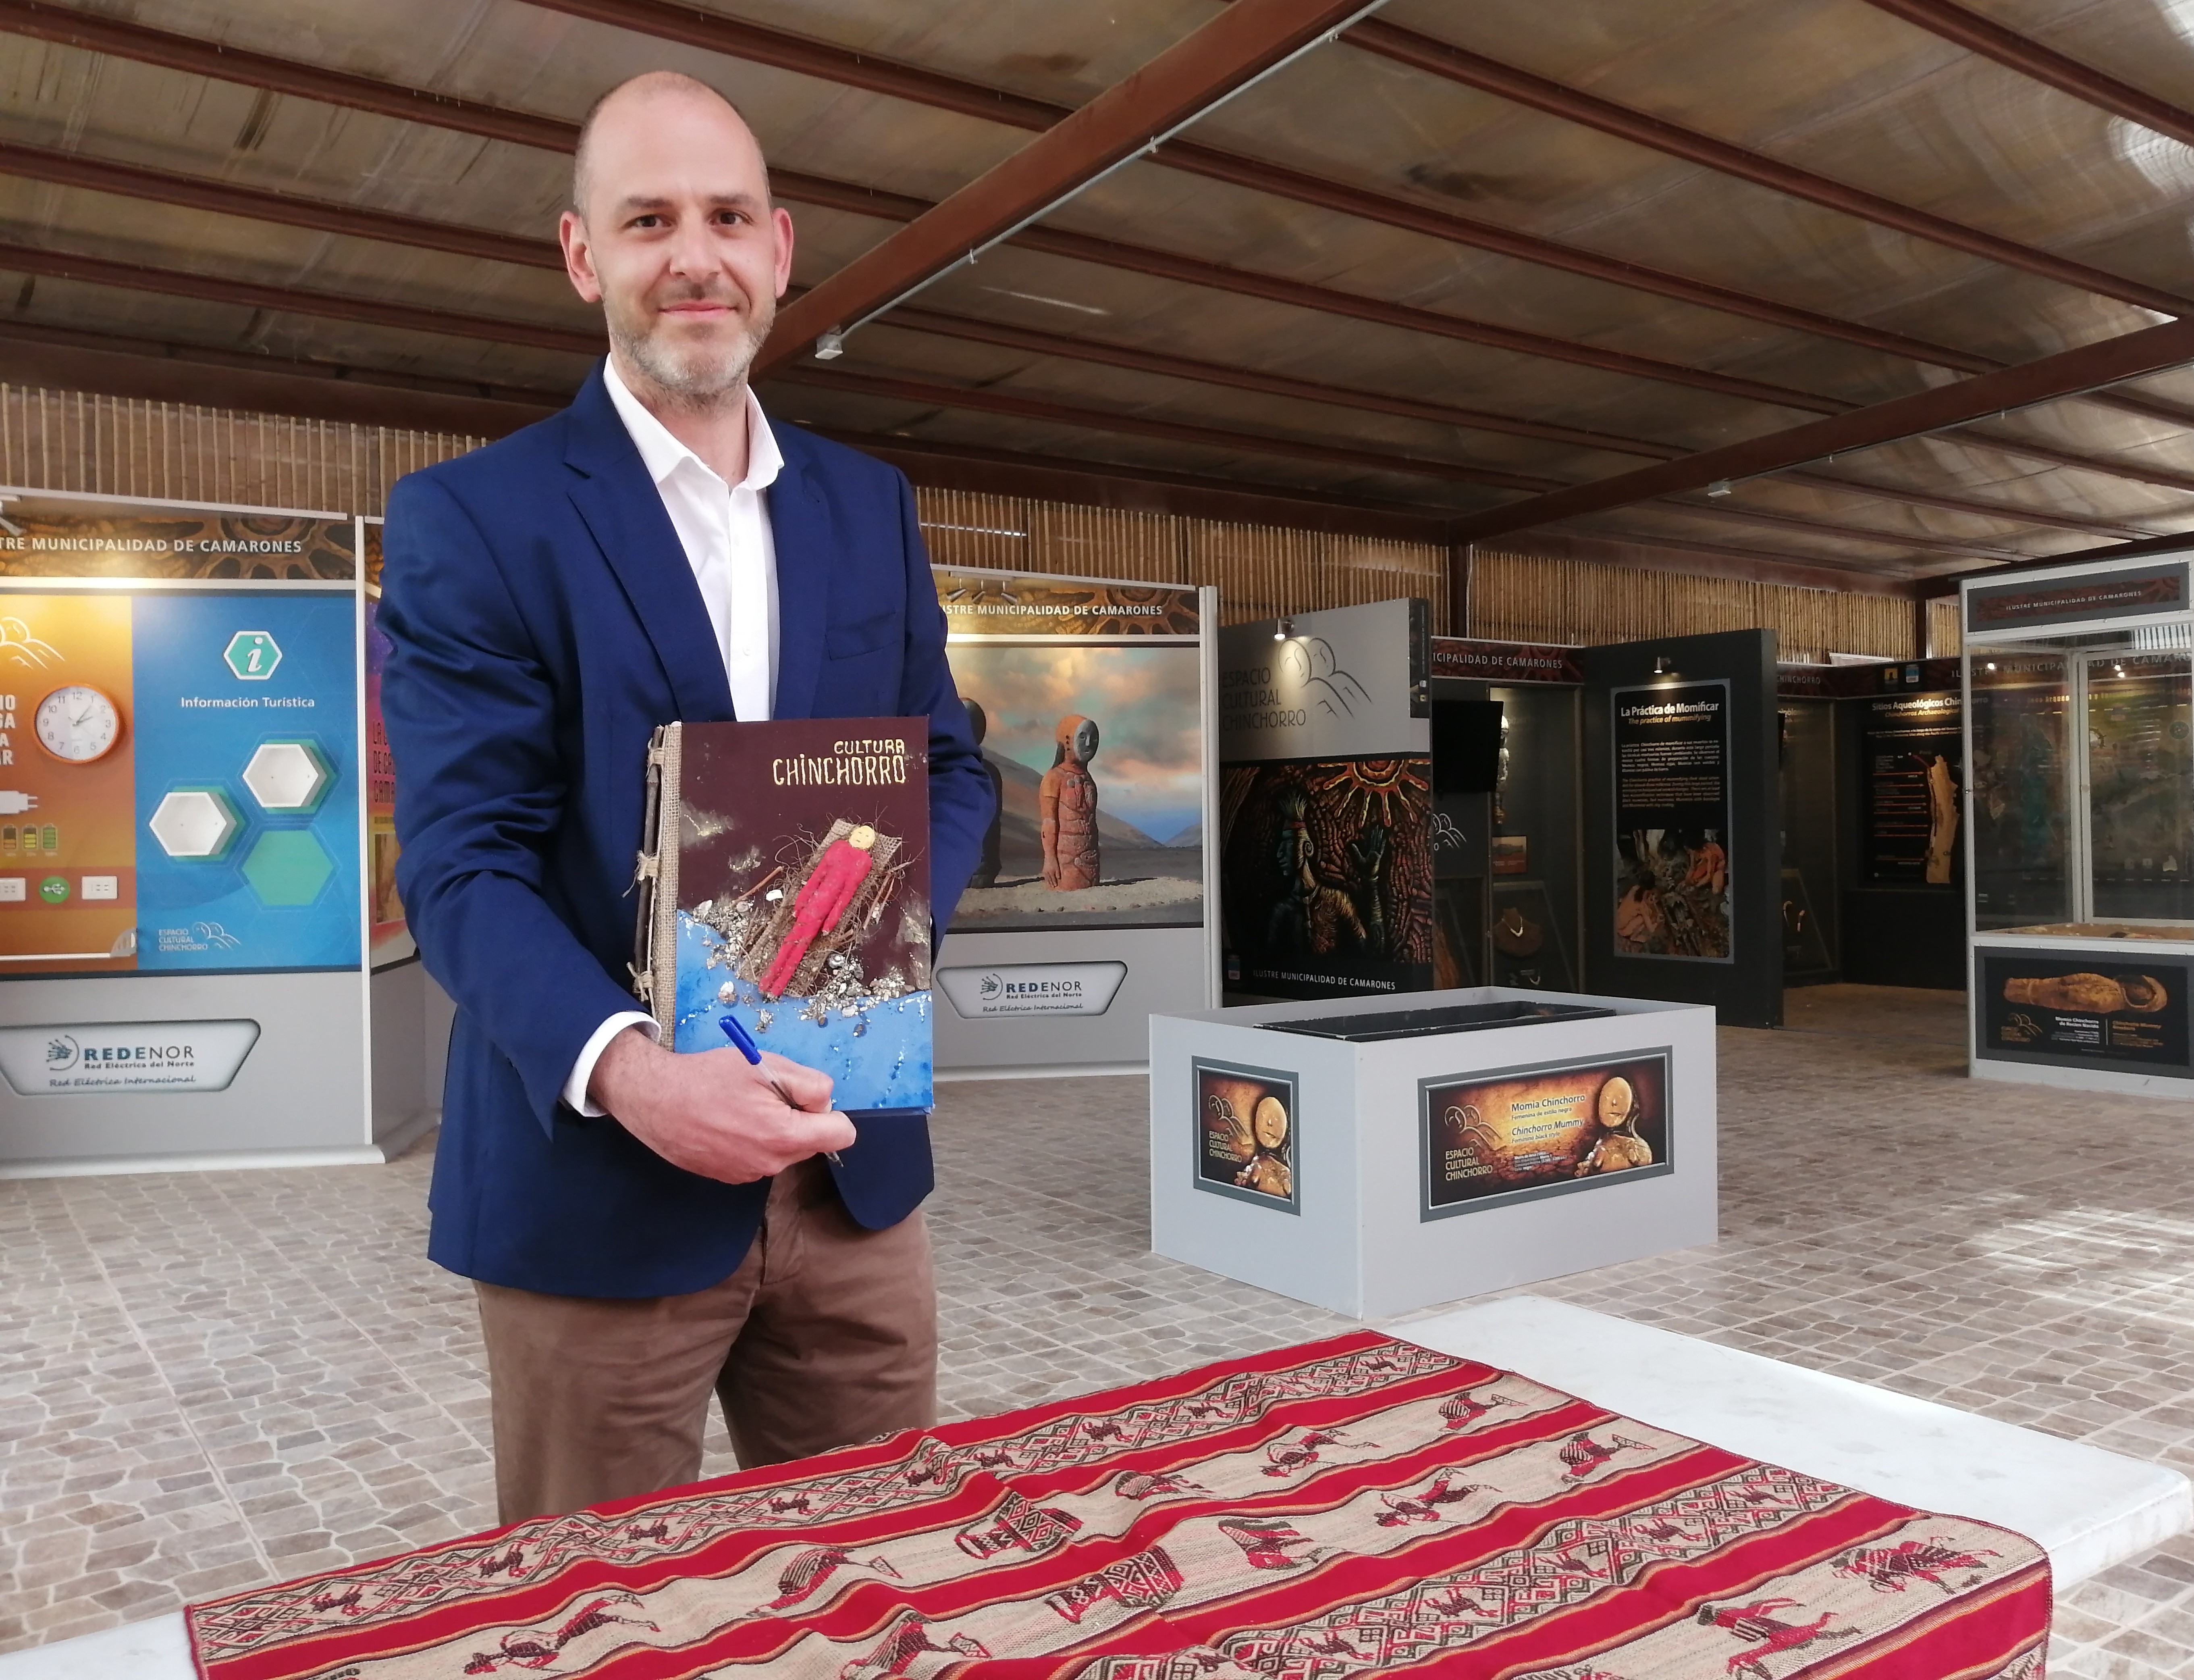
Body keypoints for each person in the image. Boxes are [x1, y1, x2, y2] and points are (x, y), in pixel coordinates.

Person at [377, 71, 992, 1524]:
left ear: (779, 249)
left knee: (884, 1573)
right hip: (598, 1187)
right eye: (648, 219)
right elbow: (465, 863)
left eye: (725, 216)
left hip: (849, 1168)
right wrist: (638, 1074)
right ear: (586, 256)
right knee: (598, 1615)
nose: (693, 256)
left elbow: (944, 764)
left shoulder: (868, 504)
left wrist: (885, 939)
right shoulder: (475, 521)